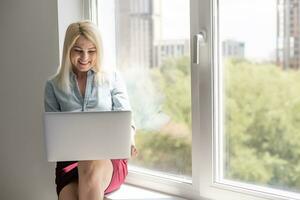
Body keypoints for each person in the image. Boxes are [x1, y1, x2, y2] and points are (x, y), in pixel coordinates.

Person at [44, 20, 137, 200]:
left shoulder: (113, 78)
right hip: (70, 163)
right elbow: (53, 133)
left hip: (109, 161)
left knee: (89, 163)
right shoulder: (53, 86)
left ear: (98, 51)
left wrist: (130, 140)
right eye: (78, 50)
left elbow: (127, 119)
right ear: (68, 50)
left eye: (91, 51)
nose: (85, 57)